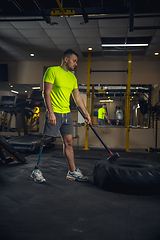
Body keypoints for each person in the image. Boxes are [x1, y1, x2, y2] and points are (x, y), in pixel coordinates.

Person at [42, 49, 91, 182]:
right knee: (45, 141)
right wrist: (50, 112)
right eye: (74, 61)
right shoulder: (52, 71)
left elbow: (77, 98)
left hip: (66, 113)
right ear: (66, 59)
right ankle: (36, 170)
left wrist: (86, 114)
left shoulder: (72, 77)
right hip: (55, 112)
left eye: (76, 62)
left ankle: (72, 171)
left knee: (69, 142)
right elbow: (46, 93)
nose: (76, 64)